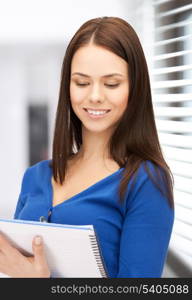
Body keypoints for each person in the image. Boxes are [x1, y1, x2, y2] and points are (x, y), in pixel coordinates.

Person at [0, 16, 174, 278]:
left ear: (135, 88)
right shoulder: (35, 177)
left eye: (111, 83)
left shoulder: (146, 181)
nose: (94, 96)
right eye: (81, 82)